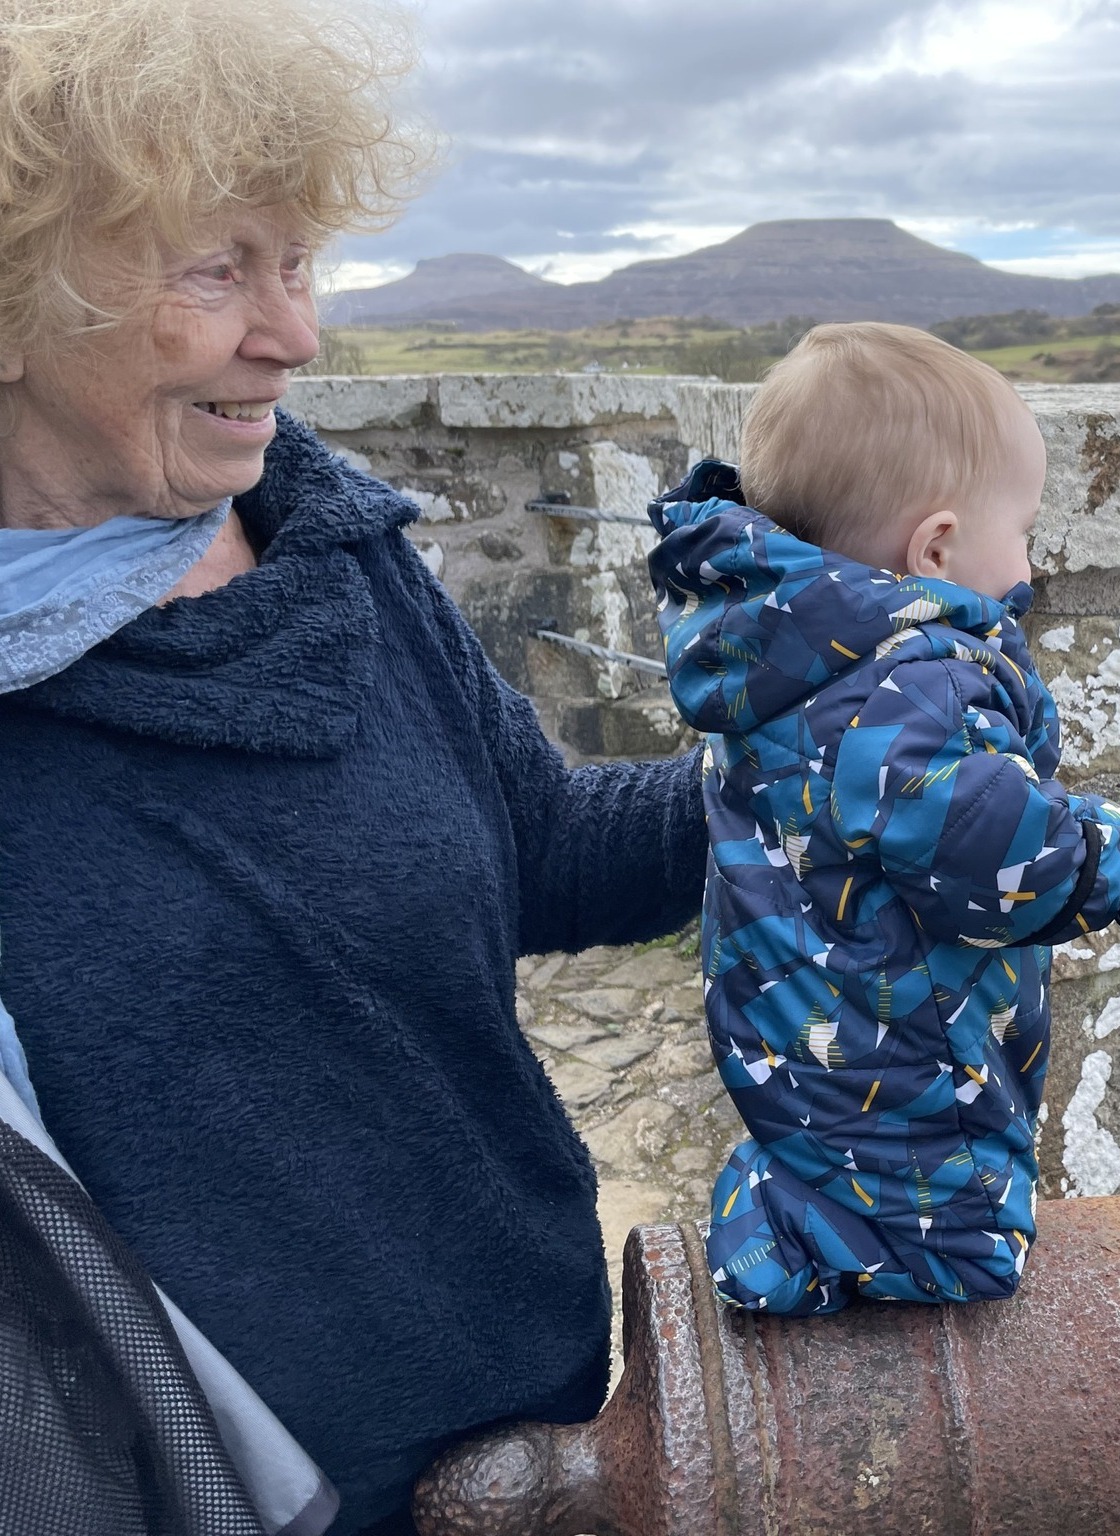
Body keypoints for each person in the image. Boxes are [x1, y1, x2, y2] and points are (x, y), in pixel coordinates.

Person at [0, 3, 707, 1532]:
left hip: (542, 1434)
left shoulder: (332, 545)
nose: (296, 336)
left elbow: (540, 845)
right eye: (216, 269)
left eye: (299, 263)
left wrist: (813, 789)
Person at [648, 322, 1120, 1316]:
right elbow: (1008, 857)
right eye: (1024, 529)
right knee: (962, 1246)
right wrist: (1102, 846)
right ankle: (801, 1261)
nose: (1029, 560)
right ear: (937, 547)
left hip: (804, 1023)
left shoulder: (784, 651)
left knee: (829, 1159)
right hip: (909, 1053)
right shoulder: (915, 688)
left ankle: (786, 1220)